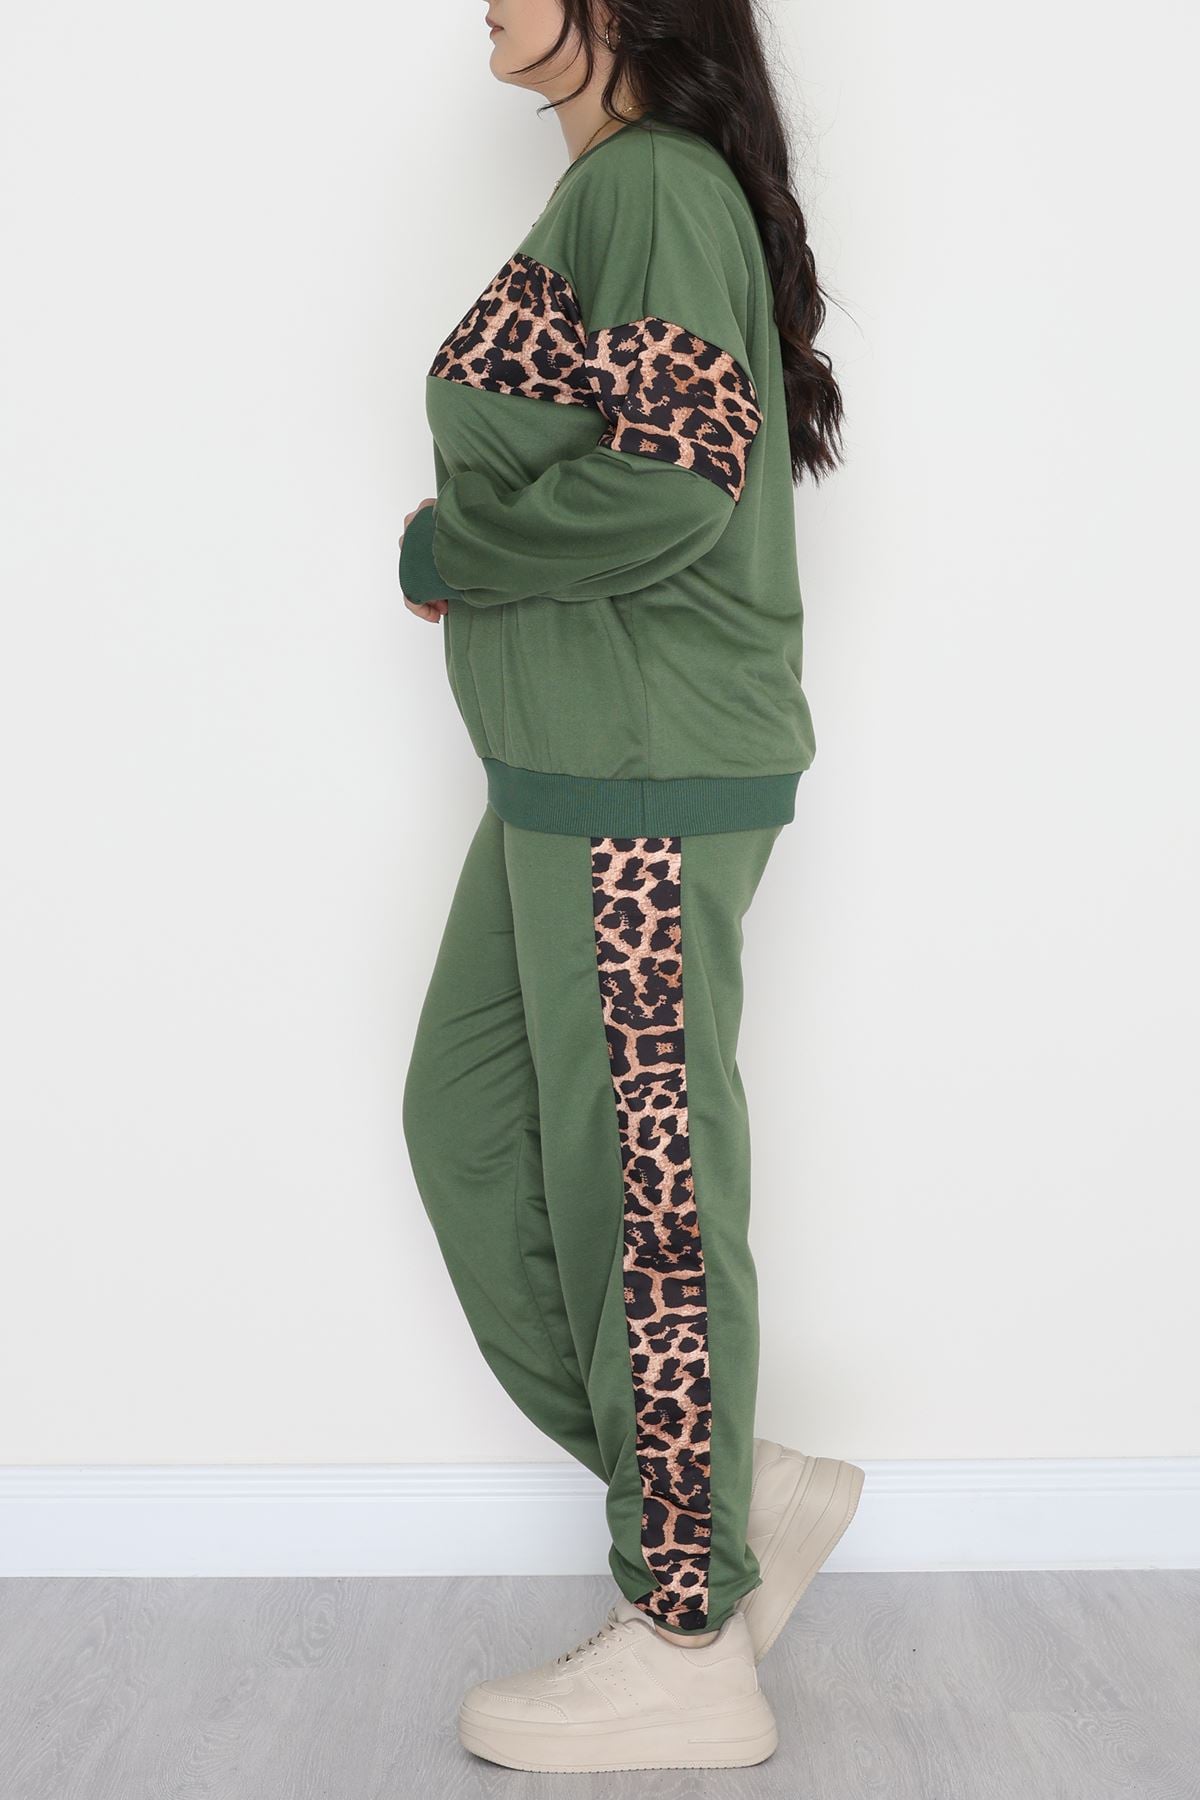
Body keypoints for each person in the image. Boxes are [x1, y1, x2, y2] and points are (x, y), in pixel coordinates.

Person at [398, 0, 864, 1773]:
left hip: (641, 772)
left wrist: (458, 544)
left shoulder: (655, 185)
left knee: (643, 1197)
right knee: (470, 1128)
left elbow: (675, 477)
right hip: (569, 768)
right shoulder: (616, 190)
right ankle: (722, 1490)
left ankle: (686, 1635)